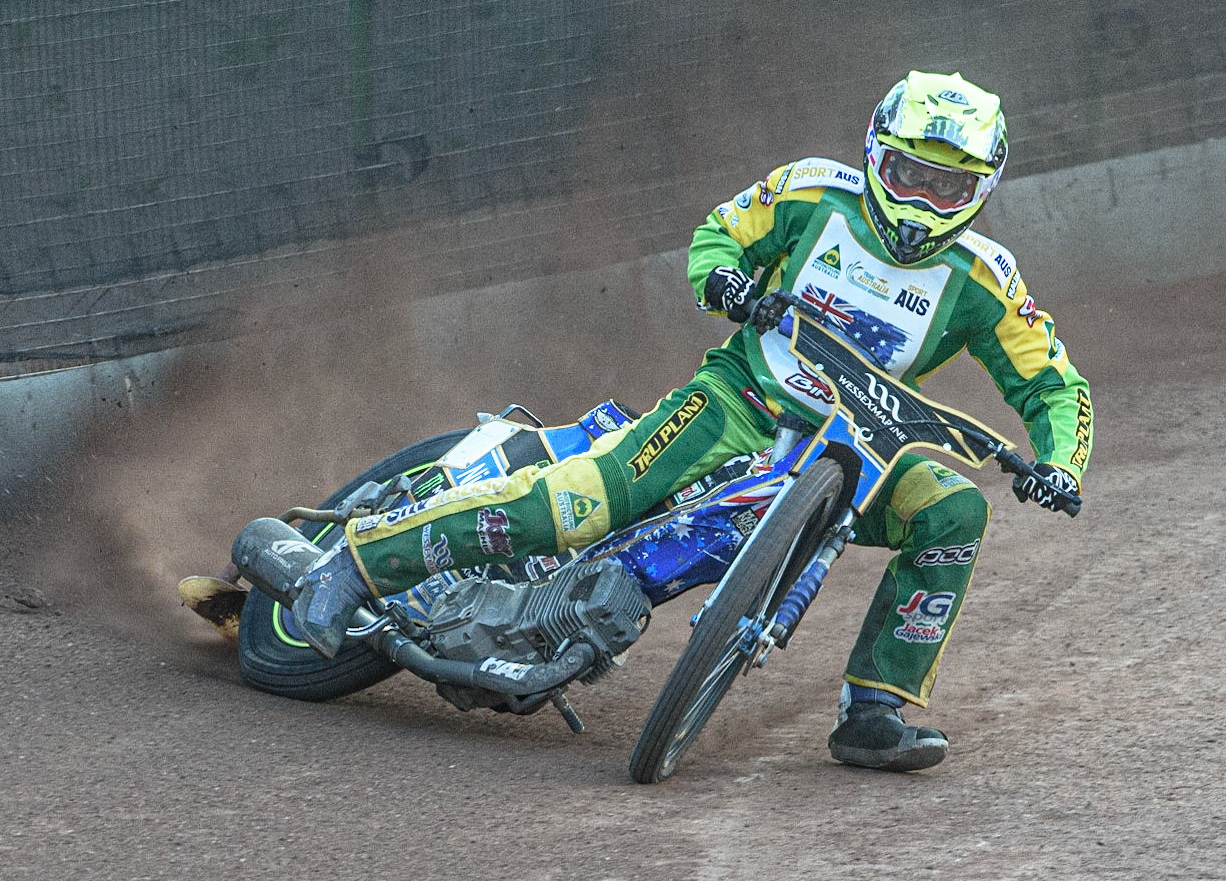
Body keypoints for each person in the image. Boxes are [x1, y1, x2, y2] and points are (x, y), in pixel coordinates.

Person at [291, 71, 1093, 772]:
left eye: (947, 188)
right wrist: (730, 288)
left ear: (983, 191)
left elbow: (1056, 385)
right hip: (741, 399)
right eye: (907, 173)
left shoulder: (988, 279)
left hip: (865, 444)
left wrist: (1061, 462)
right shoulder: (813, 191)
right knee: (583, 500)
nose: (920, 201)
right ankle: (356, 565)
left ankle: (873, 712)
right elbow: (718, 236)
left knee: (955, 509)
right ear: (874, 151)